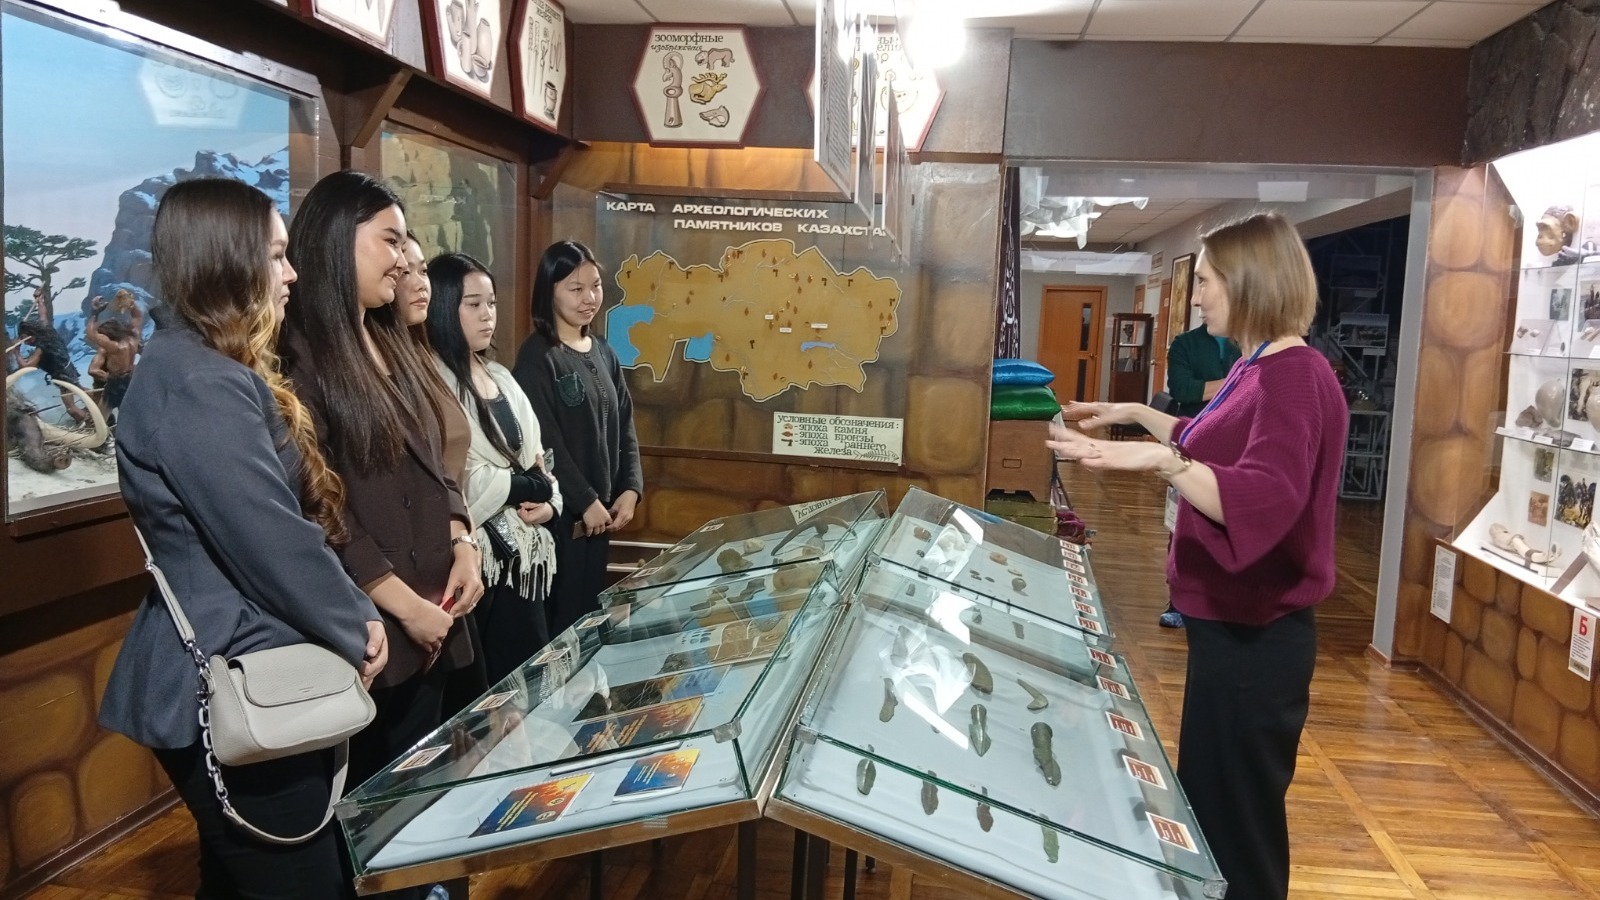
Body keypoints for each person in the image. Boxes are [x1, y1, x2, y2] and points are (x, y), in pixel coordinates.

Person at [99, 178, 387, 900]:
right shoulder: (198, 379)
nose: (291, 274)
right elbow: (270, 538)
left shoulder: (195, 366)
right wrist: (357, 621)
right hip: (232, 671)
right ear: (227, 261)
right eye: (276, 255)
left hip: (241, 659)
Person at [1048, 212, 1346, 900]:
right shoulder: (1258, 366)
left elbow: (1266, 494)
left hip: (1257, 642)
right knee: (1214, 812)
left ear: (1249, 283)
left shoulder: (1293, 377)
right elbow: (1209, 436)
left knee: (1239, 829)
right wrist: (1136, 415)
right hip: (1232, 636)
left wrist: (1162, 462)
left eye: (1208, 281)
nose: (1199, 296)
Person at [279, 171, 483, 803]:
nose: (402, 260)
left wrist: (462, 538)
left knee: (428, 792)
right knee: (374, 804)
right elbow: (319, 503)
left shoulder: (394, 340)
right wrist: (405, 607)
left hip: (438, 612)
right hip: (376, 628)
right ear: (338, 239)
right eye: (390, 241)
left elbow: (436, 461)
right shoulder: (297, 355)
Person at [428, 252, 560, 686]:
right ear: (444, 307)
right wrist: (525, 484)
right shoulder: (433, 380)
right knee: (488, 685)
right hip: (477, 558)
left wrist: (549, 502)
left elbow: (541, 461)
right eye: (474, 304)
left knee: (528, 674)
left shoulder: (501, 375)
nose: (488, 315)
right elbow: (458, 475)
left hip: (527, 556)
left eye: (492, 303)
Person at [512, 240, 642, 636]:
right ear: (549, 291)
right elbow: (545, 442)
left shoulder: (603, 350)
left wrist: (631, 488)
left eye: (596, 286)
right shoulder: (538, 356)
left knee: (588, 624)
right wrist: (584, 499)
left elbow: (625, 423)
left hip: (600, 520)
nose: (589, 298)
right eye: (576, 288)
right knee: (560, 629)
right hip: (559, 520)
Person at [1156, 322, 1241, 628]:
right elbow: (1183, 390)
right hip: (1193, 440)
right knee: (1183, 521)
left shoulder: (1249, 341)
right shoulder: (1186, 343)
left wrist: (1212, 387)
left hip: (1238, 442)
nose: (1198, 301)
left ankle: (1222, 600)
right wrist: (1238, 381)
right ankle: (1179, 601)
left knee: (1231, 520)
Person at [86, 293, 144, 420]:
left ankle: (100, 432)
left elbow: (91, 333)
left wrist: (95, 313)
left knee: (100, 419)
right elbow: (137, 317)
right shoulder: (133, 339)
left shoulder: (114, 346)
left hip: (115, 382)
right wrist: (131, 304)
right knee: (129, 415)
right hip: (129, 379)